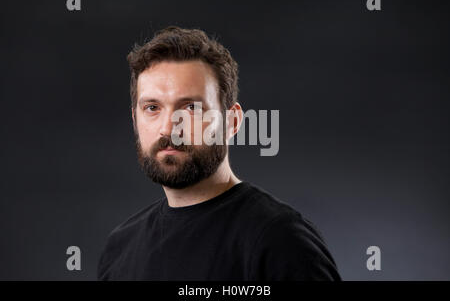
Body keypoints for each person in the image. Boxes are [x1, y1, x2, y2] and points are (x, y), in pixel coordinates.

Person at [97, 26, 341, 281]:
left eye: (191, 107)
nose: (168, 127)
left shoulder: (280, 241)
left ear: (232, 121)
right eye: (152, 107)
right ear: (135, 119)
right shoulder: (120, 248)